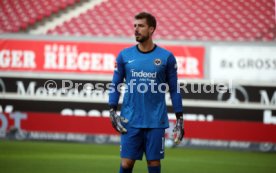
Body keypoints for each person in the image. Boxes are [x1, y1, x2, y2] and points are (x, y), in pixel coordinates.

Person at [108, 12, 185, 173]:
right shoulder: (124, 55)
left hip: (156, 121)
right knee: (127, 164)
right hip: (130, 119)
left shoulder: (166, 57)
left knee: (153, 163)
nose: (136, 29)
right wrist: (112, 110)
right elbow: (115, 84)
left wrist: (179, 118)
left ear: (151, 29)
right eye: (135, 26)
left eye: (141, 26)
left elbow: (174, 89)